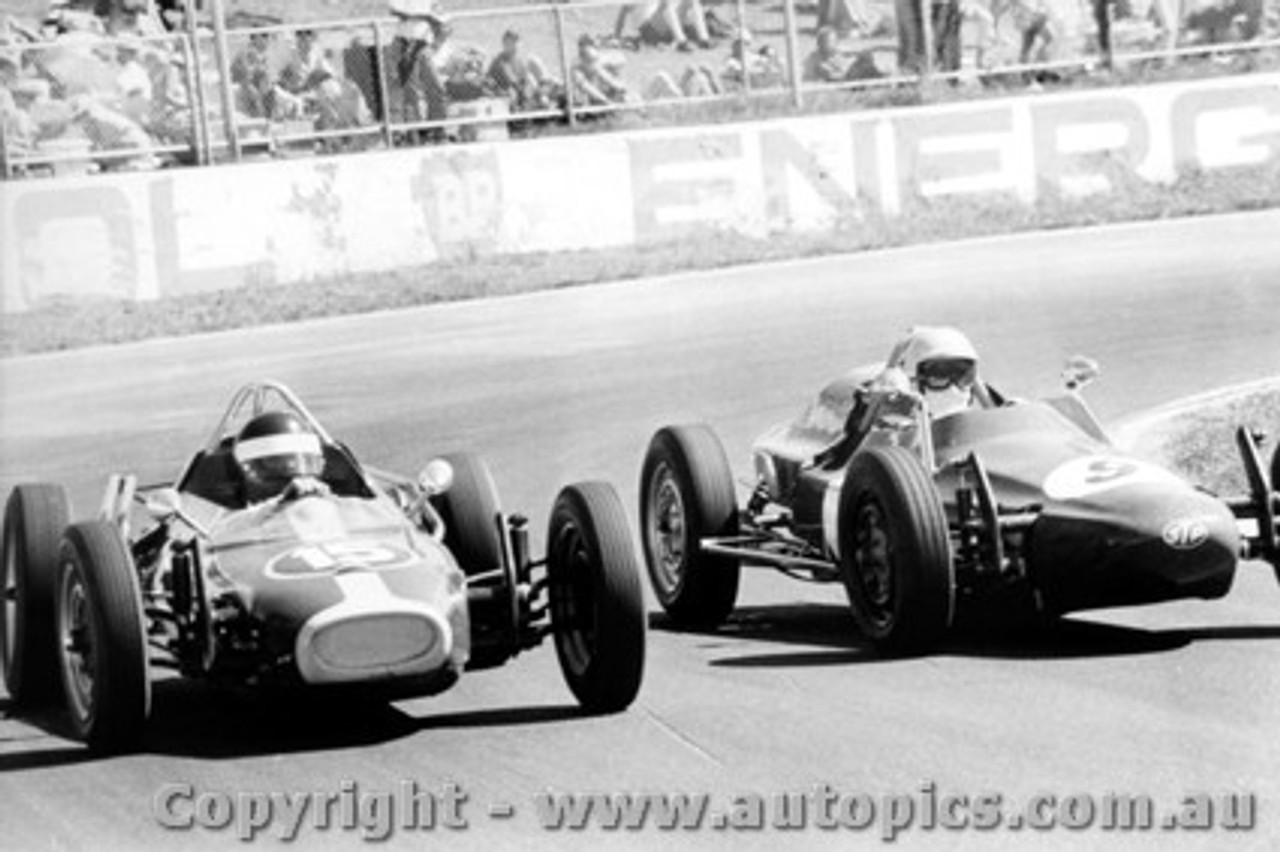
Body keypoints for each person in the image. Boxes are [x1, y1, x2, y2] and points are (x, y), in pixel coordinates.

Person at [812, 327, 982, 468]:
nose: (954, 386)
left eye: (963, 374)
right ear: (913, 377)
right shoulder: (889, 418)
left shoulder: (969, 402)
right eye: (940, 373)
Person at [233, 412, 328, 504]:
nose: (296, 481)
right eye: (275, 463)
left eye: (296, 463)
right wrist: (283, 502)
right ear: (246, 470)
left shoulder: (328, 501)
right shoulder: (232, 516)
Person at [485, 29, 557, 111]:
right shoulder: (500, 62)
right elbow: (515, 86)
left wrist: (541, 88)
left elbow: (524, 81)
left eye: (516, 43)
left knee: (533, 61)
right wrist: (535, 92)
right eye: (510, 43)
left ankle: (547, 94)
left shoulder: (519, 59)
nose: (515, 46)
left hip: (520, 95)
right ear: (504, 44)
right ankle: (543, 100)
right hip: (506, 101)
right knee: (530, 79)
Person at [613, 0, 711, 51]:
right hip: (648, 29)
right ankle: (682, 42)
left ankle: (704, 40)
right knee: (666, 3)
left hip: (662, 27)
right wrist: (616, 37)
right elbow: (621, 17)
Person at [571, 34, 629, 107]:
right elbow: (586, 87)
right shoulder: (577, 68)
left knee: (603, 71)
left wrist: (618, 86)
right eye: (584, 54)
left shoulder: (600, 58)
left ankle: (619, 96)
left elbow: (623, 60)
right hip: (591, 98)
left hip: (607, 90)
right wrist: (604, 100)